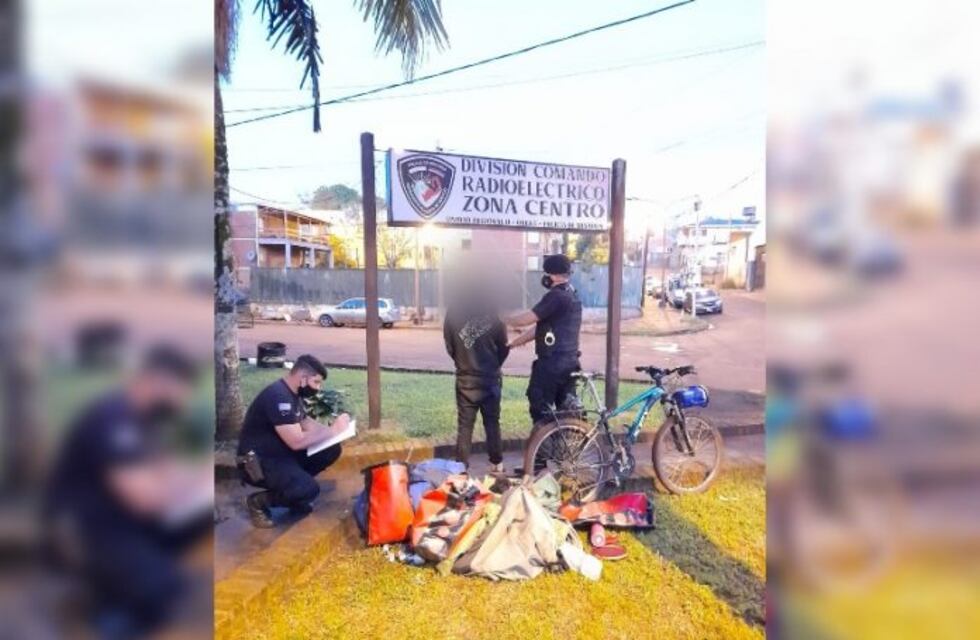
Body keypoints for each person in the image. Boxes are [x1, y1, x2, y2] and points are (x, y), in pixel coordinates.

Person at [42, 344, 212, 637]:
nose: (180, 403)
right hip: (87, 525)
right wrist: (188, 488)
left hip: (124, 516)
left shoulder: (145, 420)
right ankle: (106, 614)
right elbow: (143, 499)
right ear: (157, 382)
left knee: (203, 515)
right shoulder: (114, 421)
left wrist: (196, 482)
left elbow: (164, 472)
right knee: (163, 587)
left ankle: (133, 577)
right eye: (178, 393)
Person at [237, 354, 350, 528]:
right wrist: (333, 431)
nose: (318, 388)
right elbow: (296, 442)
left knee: (331, 449)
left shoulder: (292, 394)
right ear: (303, 378)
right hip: (259, 462)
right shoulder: (278, 397)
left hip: (279, 454)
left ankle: (294, 489)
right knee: (308, 489)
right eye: (316, 382)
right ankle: (258, 502)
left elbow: (306, 423)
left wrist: (335, 433)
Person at [505, 254, 583, 425]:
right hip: (570, 362)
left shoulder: (555, 296)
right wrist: (513, 344)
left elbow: (528, 319)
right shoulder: (572, 294)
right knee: (566, 411)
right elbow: (540, 329)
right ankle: (565, 448)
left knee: (540, 406)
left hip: (552, 364)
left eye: (546, 273)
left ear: (553, 275)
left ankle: (543, 449)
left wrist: (503, 320)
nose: (544, 277)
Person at [444, 287, 510, 473]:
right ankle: (496, 463)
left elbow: (449, 345)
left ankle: (461, 467)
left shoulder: (453, 313)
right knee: (492, 422)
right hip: (490, 378)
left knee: (464, 425)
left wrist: (462, 363)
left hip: (465, 377)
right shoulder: (493, 314)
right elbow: (504, 347)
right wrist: (494, 365)